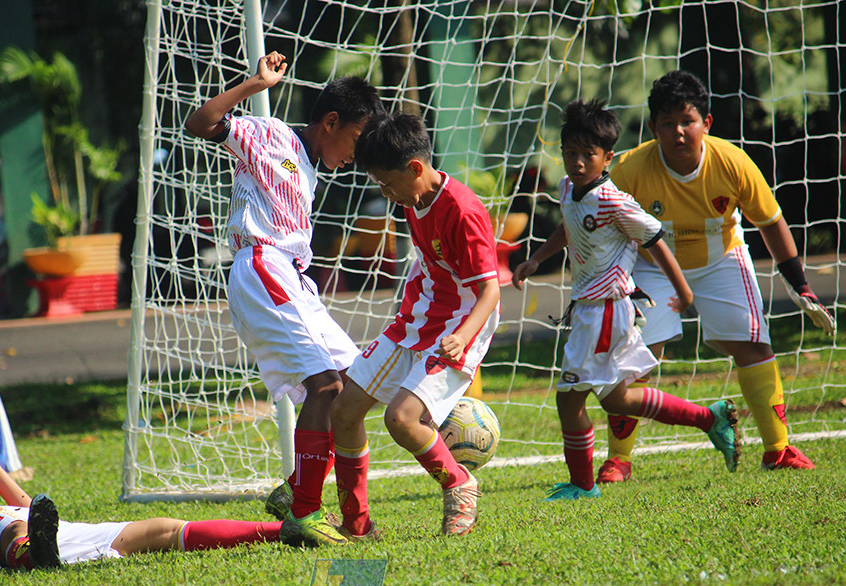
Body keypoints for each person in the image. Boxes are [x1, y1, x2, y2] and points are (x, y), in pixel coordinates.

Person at [184, 51, 384, 547]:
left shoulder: (310, 168)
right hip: (263, 266)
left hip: (293, 279)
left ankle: (333, 507)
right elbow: (199, 123)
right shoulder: (272, 135)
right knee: (327, 389)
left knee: (355, 390)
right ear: (331, 121)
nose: (356, 155)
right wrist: (254, 84)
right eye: (357, 140)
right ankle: (305, 512)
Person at [597, 70, 835, 483]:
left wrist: (799, 284)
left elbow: (771, 222)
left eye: (687, 121)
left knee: (753, 345)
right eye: (667, 123)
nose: (678, 132)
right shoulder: (632, 167)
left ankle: (777, 450)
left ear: (706, 123)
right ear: (653, 127)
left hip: (721, 260)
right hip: (654, 269)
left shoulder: (732, 162)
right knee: (636, 359)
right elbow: (597, 220)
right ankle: (619, 459)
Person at [511, 98, 744, 501]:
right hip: (593, 309)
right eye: (570, 153)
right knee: (619, 397)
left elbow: (654, 237)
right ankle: (711, 419)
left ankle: (583, 487)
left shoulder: (613, 199)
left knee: (569, 400)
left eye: (589, 154)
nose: (578, 162)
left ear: (608, 158)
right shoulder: (568, 188)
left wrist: (684, 290)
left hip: (604, 310)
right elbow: (569, 229)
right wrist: (535, 259)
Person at [328, 113, 501, 540]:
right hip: (416, 320)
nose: (385, 194)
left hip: (460, 326)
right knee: (344, 410)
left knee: (401, 418)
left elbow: (491, 291)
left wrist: (462, 336)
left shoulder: (462, 210)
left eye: (387, 184)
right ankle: (357, 522)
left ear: (416, 168)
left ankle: (459, 485)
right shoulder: (414, 198)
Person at [0, 432, 281, 575]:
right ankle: (35, 553)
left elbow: (28, 506)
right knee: (17, 534)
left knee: (166, 528)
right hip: (10, 544)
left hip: (54, 533)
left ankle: (283, 531)